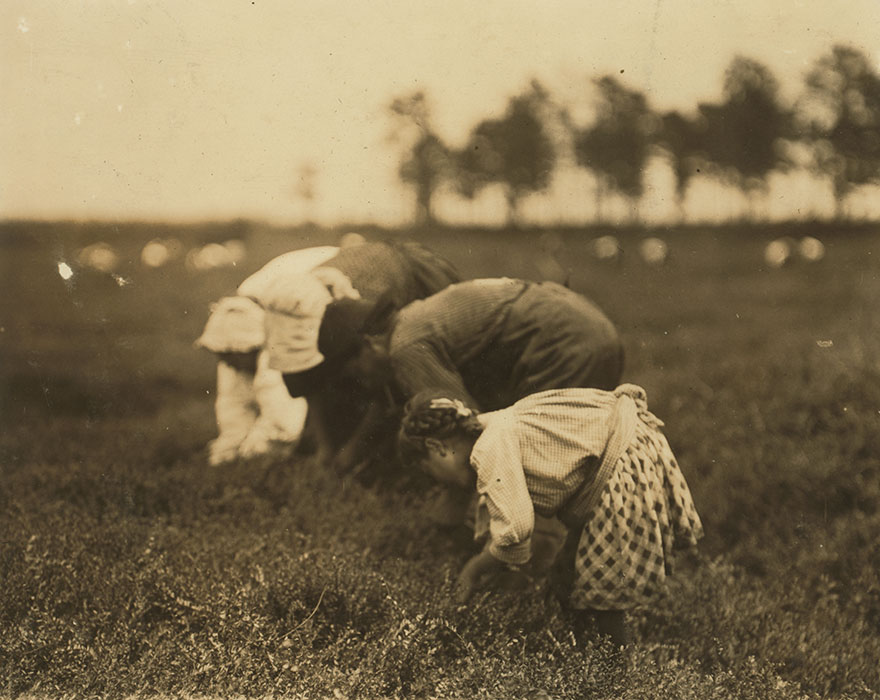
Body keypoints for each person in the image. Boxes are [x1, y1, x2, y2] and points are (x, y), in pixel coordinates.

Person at [398, 384, 704, 648]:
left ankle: (615, 680)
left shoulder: (489, 446)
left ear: (436, 447)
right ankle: (586, 657)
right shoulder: (493, 425)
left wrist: (474, 569)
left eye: (428, 471)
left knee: (603, 594)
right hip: (626, 450)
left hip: (619, 466)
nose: (439, 481)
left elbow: (516, 529)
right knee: (567, 578)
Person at [257, 239, 460, 474]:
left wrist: (349, 453)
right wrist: (325, 448)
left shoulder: (363, 317)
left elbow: (385, 385)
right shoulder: (288, 318)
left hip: (405, 275)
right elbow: (309, 384)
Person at [195, 245, 339, 466]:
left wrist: (247, 457)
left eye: (230, 356)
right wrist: (226, 452)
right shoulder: (239, 318)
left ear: (249, 348)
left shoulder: (273, 333)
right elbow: (233, 401)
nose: (225, 363)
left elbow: (284, 425)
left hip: (331, 276)